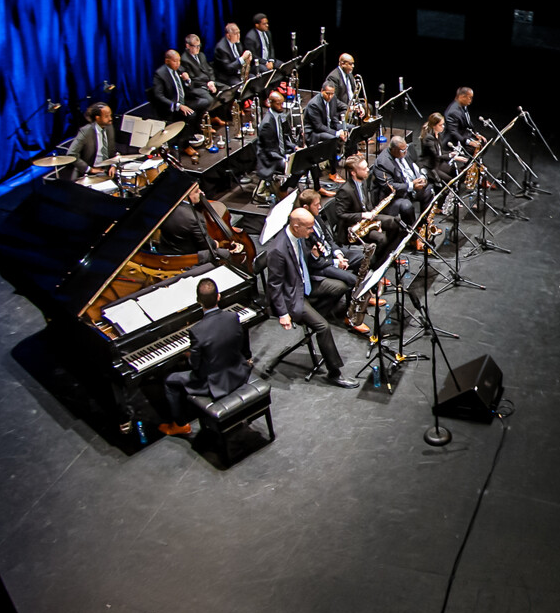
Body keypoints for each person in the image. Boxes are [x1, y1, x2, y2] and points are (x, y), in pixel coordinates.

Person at [263, 207, 359, 387]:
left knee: (341, 286)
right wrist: (283, 313)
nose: (311, 231)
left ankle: (312, 319)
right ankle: (334, 373)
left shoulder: (299, 237)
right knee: (323, 327)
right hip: (293, 295)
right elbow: (274, 285)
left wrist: (314, 255)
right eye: (308, 228)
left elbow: (304, 260)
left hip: (306, 283)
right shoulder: (278, 249)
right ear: (296, 226)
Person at [157, 278, 255, 435]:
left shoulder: (197, 331)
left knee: (169, 380)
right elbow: (236, 344)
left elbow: (195, 366)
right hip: (238, 373)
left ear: (198, 301)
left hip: (215, 383)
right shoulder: (233, 317)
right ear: (218, 296)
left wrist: (188, 354)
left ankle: (180, 424)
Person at [329, 157, 397, 269]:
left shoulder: (364, 181)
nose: (367, 170)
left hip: (367, 218)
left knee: (395, 223)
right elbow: (340, 214)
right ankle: (375, 266)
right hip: (352, 228)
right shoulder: (345, 190)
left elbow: (366, 203)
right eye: (364, 168)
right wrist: (363, 215)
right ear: (353, 173)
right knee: (381, 239)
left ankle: (386, 256)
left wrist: (374, 220)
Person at [372, 134, 429, 225]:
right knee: (406, 206)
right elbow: (389, 186)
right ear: (393, 150)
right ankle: (411, 233)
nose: (406, 151)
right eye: (403, 150)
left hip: (410, 187)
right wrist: (411, 185)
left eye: (406, 148)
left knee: (429, 191)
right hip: (395, 195)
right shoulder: (383, 163)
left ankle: (424, 225)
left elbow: (417, 163)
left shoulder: (404, 150)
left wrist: (422, 177)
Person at [148, 49, 201, 140]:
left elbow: (188, 87)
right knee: (191, 115)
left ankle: (193, 135)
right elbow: (159, 96)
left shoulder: (180, 69)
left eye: (179, 60)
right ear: (167, 61)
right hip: (171, 106)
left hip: (184, 100)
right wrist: (178, 105)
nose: (178, 63)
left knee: (203, 104)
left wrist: (187, 80)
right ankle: (184, 143)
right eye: (175, 61)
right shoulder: (160, 74)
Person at [255, 90, 296, 180]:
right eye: (278, 104)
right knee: (296, 169)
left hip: (282, 152)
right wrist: (283, 160)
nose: (281, 107)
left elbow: (282, 138)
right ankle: (283, 189)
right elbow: (269, 150)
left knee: (306, 162)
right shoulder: (267, 124)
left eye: (282, 103)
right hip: (271, 159)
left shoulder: (279, 116)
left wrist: (294, 147)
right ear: (270, 103)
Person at [177, 33, 218, 119]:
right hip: (196, 87)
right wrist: (207, 84)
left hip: (207, 83)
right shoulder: (184, 60)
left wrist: (212, 81)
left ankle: (214, 117)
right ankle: (204, 121)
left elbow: (209, 70)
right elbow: (193, 79)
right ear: (188, 46)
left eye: (199, 45)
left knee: (226, 90)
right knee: (209, 100)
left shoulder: (201, 55)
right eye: (195, 46)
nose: (198, 48)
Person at [72, 102, 117, 175]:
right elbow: (71, 154)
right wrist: (89, 169)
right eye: (106, 116)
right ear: (97, 118)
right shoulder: (85, 131)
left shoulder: (109, 127)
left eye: (110, 115)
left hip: (106, 169)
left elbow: (112, 151)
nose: (110, 119)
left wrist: (113, 165)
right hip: (88, 171)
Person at [443, 86, 485, 153]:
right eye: (470, 97)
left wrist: (477, 134)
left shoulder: (463, 106)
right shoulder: (453, 112)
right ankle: (470, 162)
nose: (471, 100)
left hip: (464, 135)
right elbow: (454, 132)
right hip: (454, 141)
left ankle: (475, 162)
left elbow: (468, 122)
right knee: (475, 147)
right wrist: (469, 142)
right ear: (462, 97)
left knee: (483, 143)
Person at [303, 82, 346, 147]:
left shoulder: (333, 98)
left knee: (350, 128)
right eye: (327, 94)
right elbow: (319, 127)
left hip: (328, 127)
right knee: (332, 138)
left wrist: (342, 129)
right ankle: (334, 156)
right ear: (322, 91)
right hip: (314, 133)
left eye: (332, 94)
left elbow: (341, 108)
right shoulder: (314, 104)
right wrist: (337, 133)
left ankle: (351, 153)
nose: (330, 96)